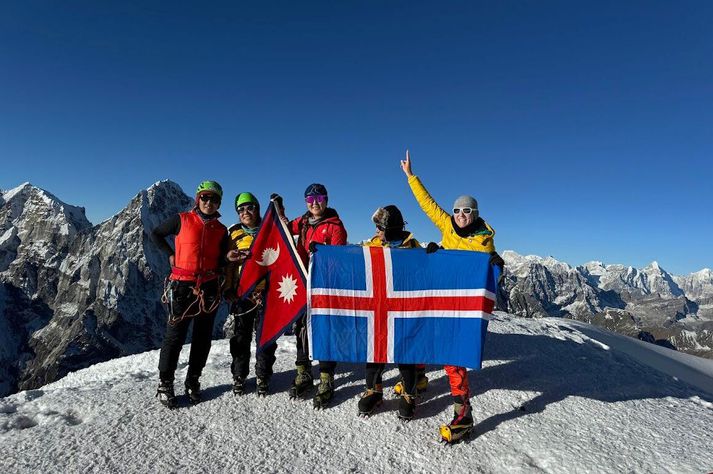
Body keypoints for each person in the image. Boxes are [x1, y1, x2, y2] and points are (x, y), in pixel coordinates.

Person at [400, 151, 505, 442]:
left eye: (466, 211)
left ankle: (463, 414)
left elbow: (480, 272)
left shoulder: (483, 243)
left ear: (475, 214)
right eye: (457, 210)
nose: (460, 215)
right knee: (423, 334)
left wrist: (494, 266)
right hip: (439, 298)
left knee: (452, 357)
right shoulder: (447, 225)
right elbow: (428, 205)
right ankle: (419, 378)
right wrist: (411, 176)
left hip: (460, 308)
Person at [153, 180, 230, 408]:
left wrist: (228, 259)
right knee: (174, 337)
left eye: (214, 199)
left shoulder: (221, 230)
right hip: (182, 287)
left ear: (219, 203)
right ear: (198, 199)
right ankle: (165, 384)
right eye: (205, 197)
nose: (209, 202)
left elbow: (221, 258)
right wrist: (170, 254)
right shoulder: (181, 219)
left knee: (202, 338)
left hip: (209, 287)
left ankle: (193, 380)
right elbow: (156, 234)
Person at [272, 183, 348, 409]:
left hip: (324, 287)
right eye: (310, 199)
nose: (315, 203)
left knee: (323, 329)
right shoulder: (304, 221)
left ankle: (326, 376)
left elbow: (339, 259)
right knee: (302, 328)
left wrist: (322, 255)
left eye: (320, 198)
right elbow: (284, 228)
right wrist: (278, 208)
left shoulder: (335, 226)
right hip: (303, 284)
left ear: (326, 200)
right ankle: (303, 371)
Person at [358, 205, 422, 421]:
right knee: (376, 349)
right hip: (379, 309)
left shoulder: (412, 247)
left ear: (391, 228)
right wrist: (324, 252)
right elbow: (353, 258)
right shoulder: (372, 245)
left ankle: (409, 393)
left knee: (405, 351)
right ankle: (373, 391)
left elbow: (425, 271)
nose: (376, 230)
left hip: (404, 309)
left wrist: (433, 255)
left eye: (380, 227)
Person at [223, 192, 278, 397]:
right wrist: (228, 288)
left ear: (257, 208)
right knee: (240, 337)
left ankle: (263, 376)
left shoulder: (270, 230)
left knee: (266, 337)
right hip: (242, 293)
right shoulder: (234, 234)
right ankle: (239, 375)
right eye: (241, 209)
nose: (245, 212)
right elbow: (229, 265)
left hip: (267, 292)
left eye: (250, 207)